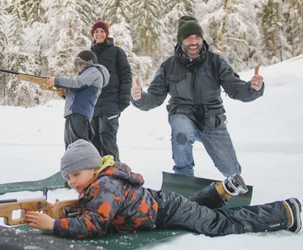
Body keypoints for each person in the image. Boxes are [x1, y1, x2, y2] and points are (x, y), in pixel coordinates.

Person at [24, 139, 301, 238]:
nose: (71, 182)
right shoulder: (102, 181)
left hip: (165, 210)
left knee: (218, 224)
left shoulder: (104, 185)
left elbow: (95, 224)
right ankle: (220, 191)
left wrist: (54, 225)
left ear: (93, 168)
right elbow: (96, 211)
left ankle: (284, 212)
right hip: (164, 206)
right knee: (193, 207)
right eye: (68, 177)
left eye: (76, 174)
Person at [131, 16, 265, 177]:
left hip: (212, 120)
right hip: (182, 115)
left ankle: (233, 184)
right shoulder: (169, 66)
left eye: (197, 37)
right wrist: (139, 98)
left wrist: (253, 88)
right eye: (188, 38)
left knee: (232, 171)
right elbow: (154, 97)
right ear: (181, 41)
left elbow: (235, 88)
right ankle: (184, 177)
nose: (194, 42)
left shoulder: (216, 62)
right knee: (181, 129)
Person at [45, 50, 110, 149]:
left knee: (79, 149)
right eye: (78, 64)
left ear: (90, 62)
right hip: (73, 115)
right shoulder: (86, 75)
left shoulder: (94, 71)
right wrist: (64, 94)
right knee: (71, 149)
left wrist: (56, 80)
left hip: (79, 115)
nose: (79, 67)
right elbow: (78, 93)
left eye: (81, 64)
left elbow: (77, 84)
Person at [90, 20, 132, 162]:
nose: (99, 34)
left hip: (111, 103)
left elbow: (126, 75)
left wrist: (124, 99)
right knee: (94, 141)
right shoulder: (90, 55)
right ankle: (99, 176)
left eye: (102, 31)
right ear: (93, 35)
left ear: (107, 34)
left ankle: (115, 173)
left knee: (107, 139)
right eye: (96, 32)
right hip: (93, 105)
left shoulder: (116, 52)